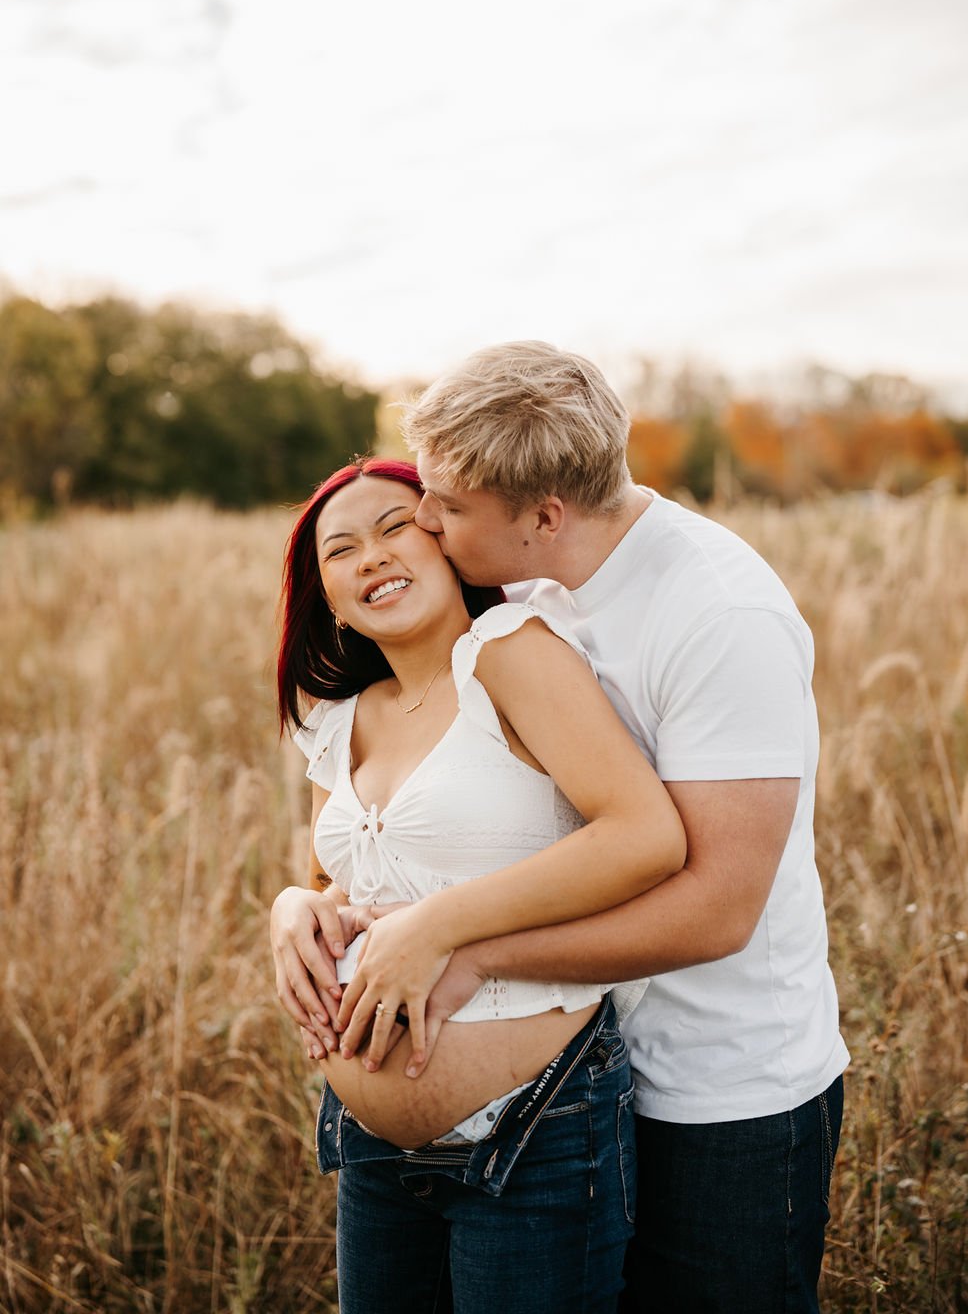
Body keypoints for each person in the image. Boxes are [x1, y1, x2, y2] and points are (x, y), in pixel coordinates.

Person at [272, 344, 849, 1314]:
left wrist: (467, 947)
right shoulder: (528, 589)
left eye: (445, 509)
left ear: (545, 515)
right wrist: (312, 904)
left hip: (721, 1090)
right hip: (593, 1064)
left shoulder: (719, 615)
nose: (423, 521)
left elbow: (714, 911)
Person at [271, 456, 687, 1314]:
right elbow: (338, 881)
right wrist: (294, 908)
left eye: (395, 528)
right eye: (340, 551)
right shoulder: (339, 717)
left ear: (447, 539)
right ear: (326, 593)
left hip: (534, 1125)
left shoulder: (506, 655)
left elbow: (644, 835)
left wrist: (439, 928)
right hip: (370, 1145)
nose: (372, 558)